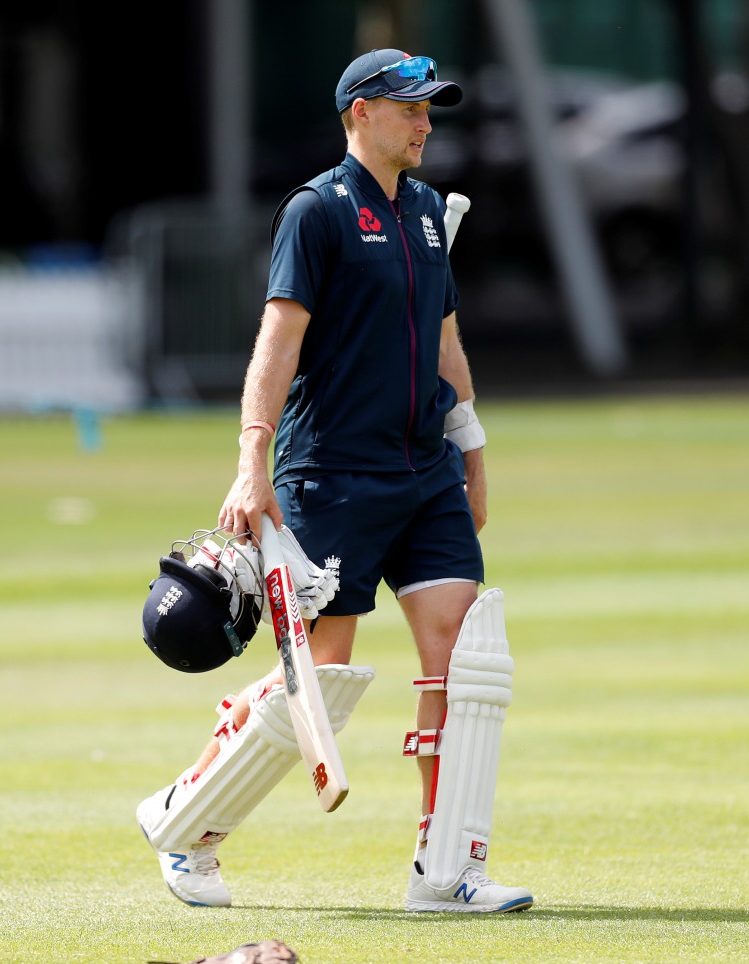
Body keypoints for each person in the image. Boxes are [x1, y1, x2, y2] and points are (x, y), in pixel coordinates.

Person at [137, 48, 533, 914]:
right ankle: (186, 820)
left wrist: (472, 454)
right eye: (408, 107)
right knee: (322, 678)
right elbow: (277, 344)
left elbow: (445, 343)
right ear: (359, 112)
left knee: (465, 660)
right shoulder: (316, 212)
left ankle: (447, 870)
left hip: (423, 470)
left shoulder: (429, 211)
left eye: (431, 108)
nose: (426, 122)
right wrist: (252, 464)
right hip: (331, 475)